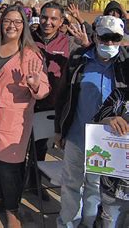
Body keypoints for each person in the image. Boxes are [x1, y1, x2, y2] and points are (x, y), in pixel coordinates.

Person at [0, 5, 50, 228]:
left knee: (10, 168)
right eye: (8, 21)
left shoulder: (30, 53)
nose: (12, 26)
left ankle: (13, 209)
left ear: (24, 26)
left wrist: (35, 84)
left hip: (13, 119)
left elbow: (44, 88)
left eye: (18, 22)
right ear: (0, 23)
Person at [55, 15, 128, 228]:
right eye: (105, 37)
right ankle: (67, 224)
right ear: (96, 36)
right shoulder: (79, 59)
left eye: (116, 38)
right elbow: (62, 96)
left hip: (107, 142)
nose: (110, 43)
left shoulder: (125, 64)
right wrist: (59, 130)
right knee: (70, 185)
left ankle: (87, 224)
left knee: (94, 187)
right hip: (77, 135)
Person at [29, 1, 90, 199]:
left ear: (61, 21)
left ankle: (34, 182)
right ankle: (20, 181)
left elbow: (91, 58)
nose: (48, 22)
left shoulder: (69, 43)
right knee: (21, 148)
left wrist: (86, 46)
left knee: (40, 148)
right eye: (45, 17)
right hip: (24, 104)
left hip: (51, 106)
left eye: (54, 18)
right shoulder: (28, 39)